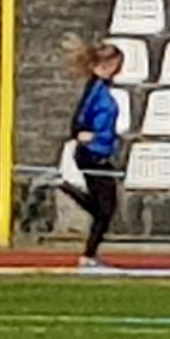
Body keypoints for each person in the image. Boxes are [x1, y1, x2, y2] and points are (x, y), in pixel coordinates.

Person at [61, 41, 129, 269]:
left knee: (105, 207)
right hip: (91, 154)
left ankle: (70, 190)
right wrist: (81, 132)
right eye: (114, 65)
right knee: (106, 208)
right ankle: (88, 256)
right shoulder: (94, 88)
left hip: (101, 152)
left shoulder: (103, 88)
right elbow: (79, 117)